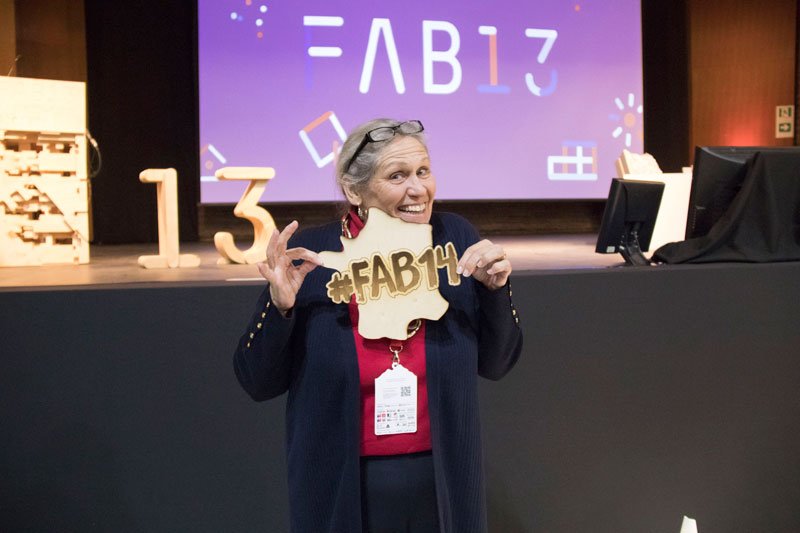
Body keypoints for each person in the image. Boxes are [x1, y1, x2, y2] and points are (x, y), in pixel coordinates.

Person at [233, 118, 523, 532]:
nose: (418, 189)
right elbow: (256, 382)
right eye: (397, 176)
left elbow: (497, 364)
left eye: (423, 171)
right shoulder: (313, 256)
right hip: (342, 484)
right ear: (354, 191)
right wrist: (280, 308)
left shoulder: (454, 238)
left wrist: (496, 290)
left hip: (442, 481)